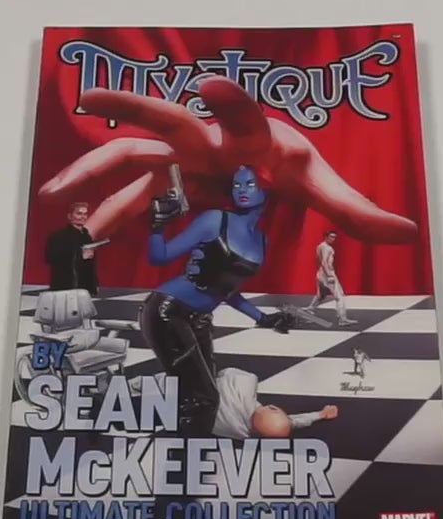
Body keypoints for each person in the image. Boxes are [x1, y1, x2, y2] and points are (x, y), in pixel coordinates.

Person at [141, 165, 294, 436]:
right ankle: (183, 457)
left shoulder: (261, 241)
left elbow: (226, 290)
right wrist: (157, 227)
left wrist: (263, 318)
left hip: (200, 318)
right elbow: (159, 257)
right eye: (236, 185)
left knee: (206, 388)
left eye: (250, 184)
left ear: (267, 190)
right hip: (168, 311)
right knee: (204, 398)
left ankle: (181, 441)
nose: (242, 190)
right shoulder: (215, 220)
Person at [131, 367, 339, 439]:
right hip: (179, 411)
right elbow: (292, 422)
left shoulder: (244, 384)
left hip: (173, 394)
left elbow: (225, 373)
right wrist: (319, 415)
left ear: (272, 407)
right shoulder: (244, 433)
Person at [43, 200, 99, 294]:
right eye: (79, 213)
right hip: (64, 287)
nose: (83, 217)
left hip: (84, 289)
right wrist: (80, 254)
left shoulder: (87, 237)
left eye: (85, 214)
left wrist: (94, 285)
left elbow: (90, 266)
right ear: (70, 216)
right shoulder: (58, 237)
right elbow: (50, 258)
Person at [307, 231, 353, 325]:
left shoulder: (320, 246)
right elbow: (324, 262)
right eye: (331, 237)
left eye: (334, 237)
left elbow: (318, 259)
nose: (333, 239)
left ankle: (310, 310)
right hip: (327, 273)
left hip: (321, 273)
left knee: (321, 295)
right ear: (326, 237)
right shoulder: (327, 248)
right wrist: (329, 275)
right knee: (339, 296)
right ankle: (342, 319)